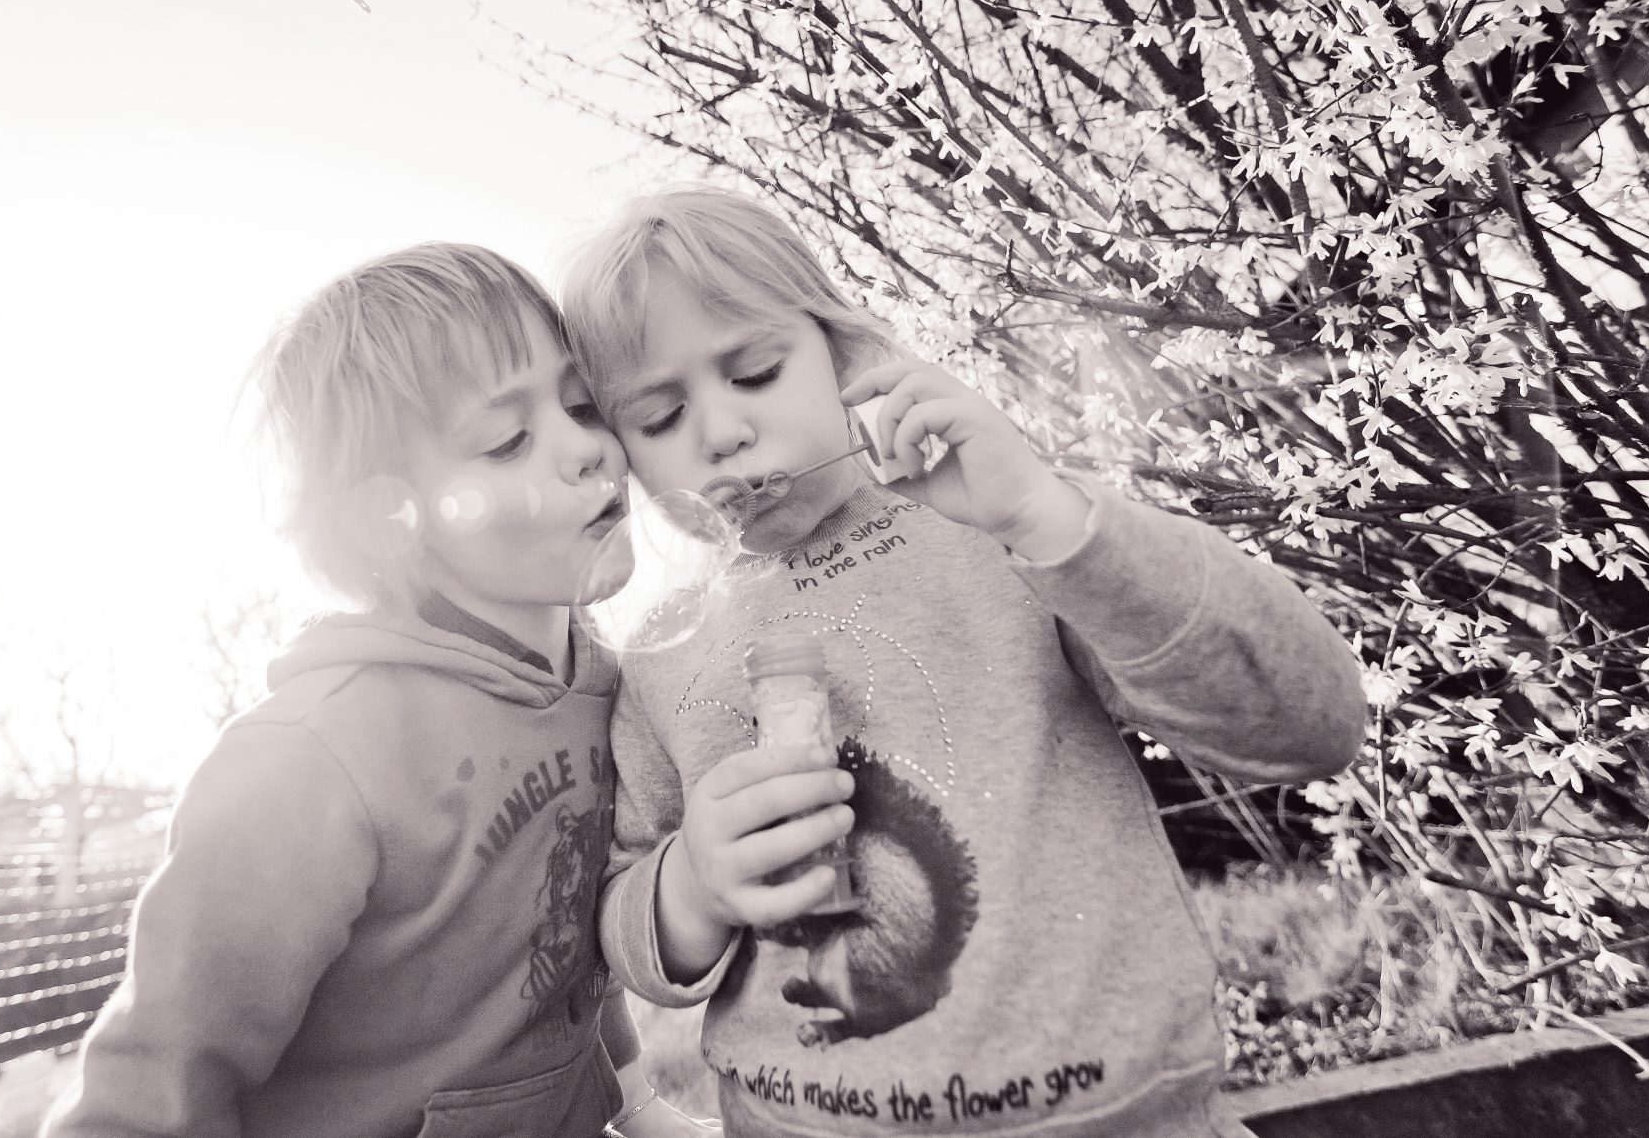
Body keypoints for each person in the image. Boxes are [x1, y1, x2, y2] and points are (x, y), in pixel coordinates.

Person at [560, 187, 1368, 1137]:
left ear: (847, 358)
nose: (723, 432)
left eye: (757, 371)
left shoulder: (1001, 532)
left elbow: (1310, 722)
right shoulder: (662, 651)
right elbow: (617, 919)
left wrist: (1046, 518)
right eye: (659, 418)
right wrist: (690, 885)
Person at [43, 244, 713, 1138]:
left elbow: (555, 957)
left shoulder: (599, 685)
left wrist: (637, 1106)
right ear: (385, 518)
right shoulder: (310, 759)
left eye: (581, 401)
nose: (587, 446)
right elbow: (152, 1084)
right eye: (506, 439)